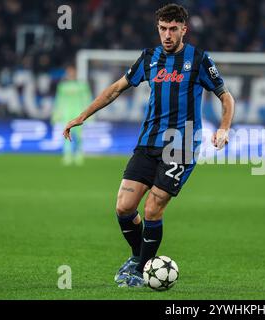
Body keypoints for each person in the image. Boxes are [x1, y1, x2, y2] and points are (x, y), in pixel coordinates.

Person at [62, 3, 235, 287]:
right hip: (147, 143)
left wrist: (224, 129)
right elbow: (115, 89)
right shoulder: (149, 58)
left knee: (154, 208)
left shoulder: (199, 60)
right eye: (162, 29)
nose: (167, 35)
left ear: (183, 30)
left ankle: (142, 270)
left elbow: (226, 97)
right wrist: (82, 115)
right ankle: (137, 257)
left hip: (181, 146)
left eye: (172, 29)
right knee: (124, 207)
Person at [53, 65, 91, 165]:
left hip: (78, 113)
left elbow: (87, 99)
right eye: (69, 72)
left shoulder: (82, 85)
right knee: (66, 133)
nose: (71, 74)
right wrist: (56, 114)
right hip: (66, 113)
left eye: (72, 72)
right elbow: (59, 100)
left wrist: (89, 114)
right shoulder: (62, 86)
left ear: (76, 73)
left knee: (79, 135)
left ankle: (79, 154)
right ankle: (67, 155)